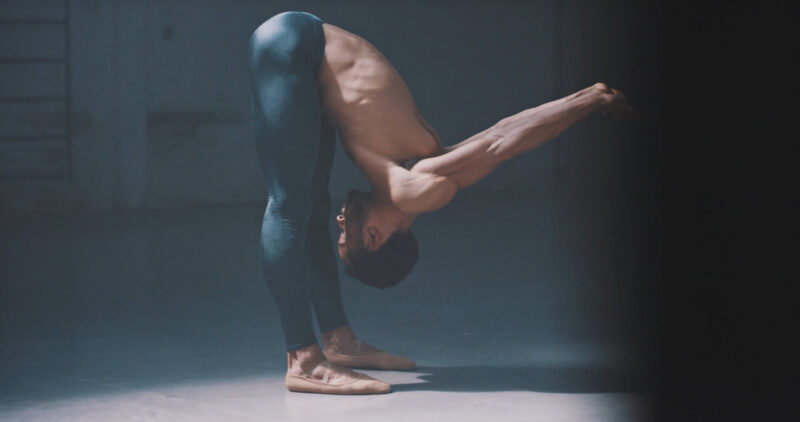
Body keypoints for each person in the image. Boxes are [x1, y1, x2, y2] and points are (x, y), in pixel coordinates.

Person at [248, 11, 636, 395]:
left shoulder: (410, 181)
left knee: (307, 212)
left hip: (300, 46)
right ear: (374, 236)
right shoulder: (412, 186)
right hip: (294, 45)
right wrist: (587, 101)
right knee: (288, 209)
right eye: (344, 236)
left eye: (341, 236)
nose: (340, 220)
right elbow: (499, 141)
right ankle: (303, 360)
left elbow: (499, 138)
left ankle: (338, 341)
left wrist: (589, 99)